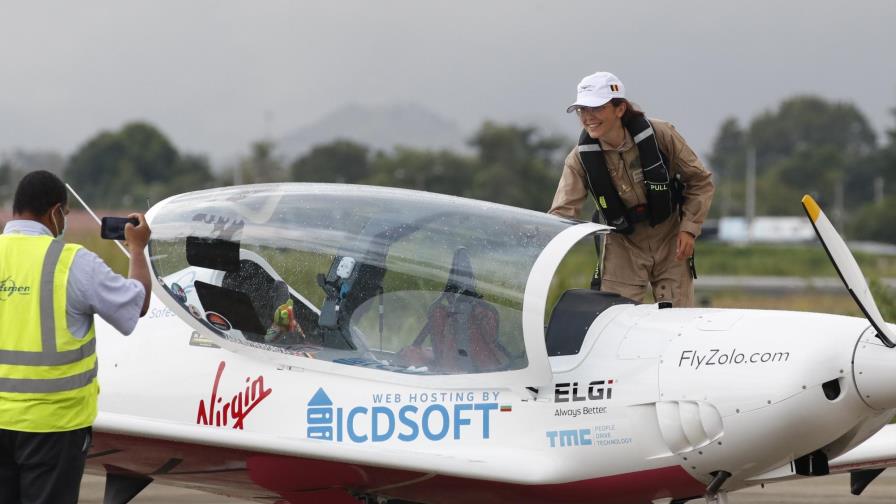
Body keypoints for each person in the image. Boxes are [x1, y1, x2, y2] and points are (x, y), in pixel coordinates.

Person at [0, 170, 151, 504]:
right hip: (53, 427)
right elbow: (135, 303)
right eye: (65, 215)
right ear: (55, 212)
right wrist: (137, 250)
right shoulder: (71, 263)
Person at [550, 71, 714, 307]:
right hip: (621, 244)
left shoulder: (661, 134)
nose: (588, 117)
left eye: (596, 108)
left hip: (670, 238)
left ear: (620, 109)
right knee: (616, 321)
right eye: (582, 110)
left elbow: (700, 181)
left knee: (677, 320)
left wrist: (689, 229)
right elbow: (561, 215)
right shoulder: (578, 159)